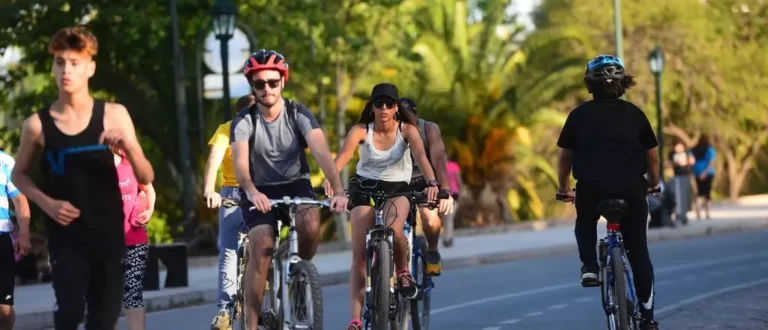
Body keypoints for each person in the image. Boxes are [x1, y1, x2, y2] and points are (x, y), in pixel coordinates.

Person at [10, 26, 155, 330]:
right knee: (71, 311)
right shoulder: (36, 125)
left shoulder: (114, 114)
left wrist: (128, 146)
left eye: (75, 63)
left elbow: (146, 174)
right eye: (60, 62)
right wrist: (47, 203)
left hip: (108, 234)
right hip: (66, 238)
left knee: (103, 318)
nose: (66, 70)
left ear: (90, 67)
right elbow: (18, 175)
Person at [230, 49, 349, 329]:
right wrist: (252, 191)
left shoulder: (298, 113)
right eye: (260, 84)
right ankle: (252, 323)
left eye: (273, 82)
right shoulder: (244, 121)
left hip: (296, 182)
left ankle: (296, 269)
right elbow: (240, 170)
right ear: (253, 86)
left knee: (309, 225)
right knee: (261, 244)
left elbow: (322, 152)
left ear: (283, 81)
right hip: (258, 188)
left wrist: (340, 190)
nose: (267, 89)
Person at [555, 55, 659, 330]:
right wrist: (654, 183)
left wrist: (564, 187)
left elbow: (565, 158)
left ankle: (589, 266)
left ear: (589, 86)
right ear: (623, 84)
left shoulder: (578, 115)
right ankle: (648, 319)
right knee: (639, 254)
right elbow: (653, 157)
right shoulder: (635, 113)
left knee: (585, 221)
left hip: (592, 188)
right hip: (632, 188)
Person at [324, 83, 439, 330]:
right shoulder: (360, 130)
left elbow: (421, 157)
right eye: (379, 103)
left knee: (394, 229)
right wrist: (331, 183)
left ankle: (402, 272)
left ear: (396, 106)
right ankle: (355, 320)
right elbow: (342, 158)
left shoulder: (407, 130)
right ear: (372, 106)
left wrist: (432, 183)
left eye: (389, 103)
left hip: (397, 189)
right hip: (364, 189)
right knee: (358, 256)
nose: (384, 108)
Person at [206, 94, 256, 330]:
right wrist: (209, 190)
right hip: (232, 194)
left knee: (270, 244)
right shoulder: (226, 131)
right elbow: (214, 160)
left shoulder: (270, 129)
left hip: (262, 192)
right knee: (228, 251)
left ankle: (273, 287)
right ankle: (225, 310)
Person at [397, 97, 453, 276]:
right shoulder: (388, 129)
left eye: (408, 116)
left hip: (425, 181)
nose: (405, 121)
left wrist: (445, 190)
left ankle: (433, 251)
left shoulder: (429, 129)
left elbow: (439, 162)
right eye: (400, 117)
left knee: (429, 217)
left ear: (416, 114)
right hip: (398, 182)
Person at [112, 147, 155, 330]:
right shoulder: (93, 167)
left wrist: (149, 210)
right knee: (107, 297)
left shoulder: (129, 163)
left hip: (135, 237)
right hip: (105, 243)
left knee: (133, 292)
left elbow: (148, 188)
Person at [0, 151, 31, 330]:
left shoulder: (4, 160)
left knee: (3, 311)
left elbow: (19, 199)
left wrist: (24, 234)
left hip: (1, 238)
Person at [668, 141, 694, 224]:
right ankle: (677, 213)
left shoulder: (687, 152)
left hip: (686, 175)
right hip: (676, 176)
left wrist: (685, 162)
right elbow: (668, 163)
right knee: (677, 196)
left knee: (685, 195)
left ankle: (684, 214)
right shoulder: (672, 154)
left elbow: (692, 161)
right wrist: (675, 163)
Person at [691, 134, 715, 220]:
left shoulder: (694, 150)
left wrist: (696, 171)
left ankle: (698, 212)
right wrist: (705, 173)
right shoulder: (709, 149)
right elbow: (711, 162)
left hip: (697, 172)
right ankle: (707, 213)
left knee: (699, 193)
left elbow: (691, 161)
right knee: (707, 193)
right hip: (708, 173)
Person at [442, 158, 463, 247]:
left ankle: (448, 238)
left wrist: (461, 190)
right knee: (446, 218)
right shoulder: (438, 166)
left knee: (449, 218)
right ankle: (447, 237)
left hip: (453, 194)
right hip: (443, 195)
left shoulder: (453, 166)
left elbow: (458, 179)